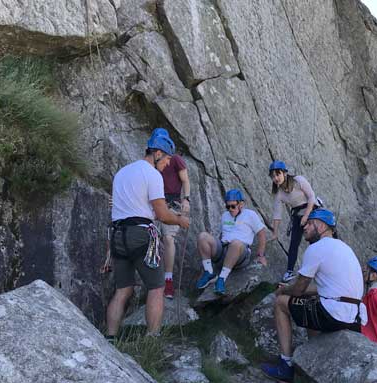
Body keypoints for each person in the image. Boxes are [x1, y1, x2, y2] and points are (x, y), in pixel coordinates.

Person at [260, 209, 367, 383]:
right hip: (355, 318)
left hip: (334, 314)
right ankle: (313, 362)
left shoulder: (317, 248)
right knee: (312, 305)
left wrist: (283, 290)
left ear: (322, 225)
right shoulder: (345, 248)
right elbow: (322, 288)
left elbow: (299, 289)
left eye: (309, 223)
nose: (305, 227)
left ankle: (285, 366)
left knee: (280, 303)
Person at [105, 132, 190, 341]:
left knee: (122, 290)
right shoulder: (152, 175)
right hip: (140, 235)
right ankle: (152, 338)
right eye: (168, 158)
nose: (168, 163)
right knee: (156, 287)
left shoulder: (122, 173)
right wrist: (180, 220)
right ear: (158, 153)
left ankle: (110, 338)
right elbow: (161, 214)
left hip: (117, 235)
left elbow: (123, 209)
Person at [195, 189, 267, 295]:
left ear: (241, 204)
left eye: (233, 206)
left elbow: (262, 233)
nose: (230, 209)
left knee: (236, 243)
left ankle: (221, 279)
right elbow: (221, 235)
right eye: (227, 207)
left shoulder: (250, 215)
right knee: (203, 236)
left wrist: (261, 255)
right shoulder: (225, 215)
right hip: (224, 250)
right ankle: (209, 272)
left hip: (240, 252)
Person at [150, 128, 191, 299]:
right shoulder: (152, 160)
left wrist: (186, 198)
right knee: (151, 238)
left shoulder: (175, 159)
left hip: (172, 201)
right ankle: (153, 281)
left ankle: (168, 280)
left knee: (168, 238)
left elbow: (185, 180)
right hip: (155, 201)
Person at [268, 161, 319, 283]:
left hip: (312, 210)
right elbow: (277, 215)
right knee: (294, 243)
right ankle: (290, 271)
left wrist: (306, 216)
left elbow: (311, 196)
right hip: (297, 214)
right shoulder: (279, 193)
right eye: (273, 176)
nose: (276, 178)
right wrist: (275, 233)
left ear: (285, 173)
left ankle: (321, 268)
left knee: (315, 240)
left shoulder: (298, 180)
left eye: (278, 174)